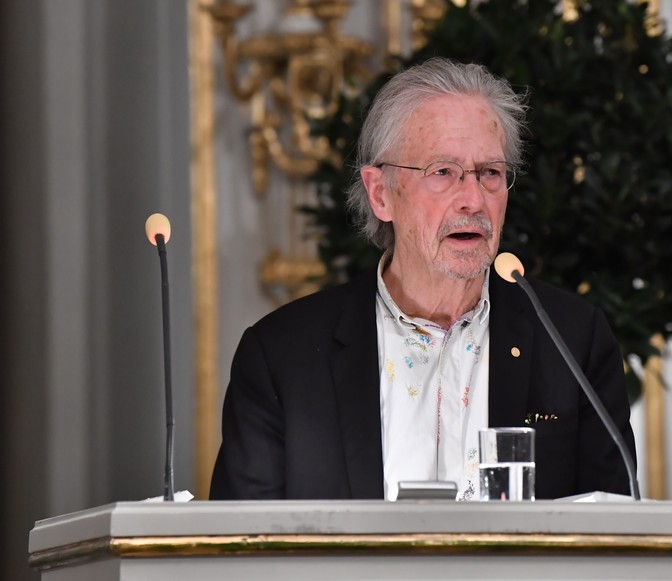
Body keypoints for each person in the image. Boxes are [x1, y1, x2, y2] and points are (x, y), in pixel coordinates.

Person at [210, 57, 635, 501]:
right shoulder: (283, 356)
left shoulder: (572, 341)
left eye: (490, 173)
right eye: (443, 173)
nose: (473, 199)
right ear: (380, 194)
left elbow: (611, 534)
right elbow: (241, 545)